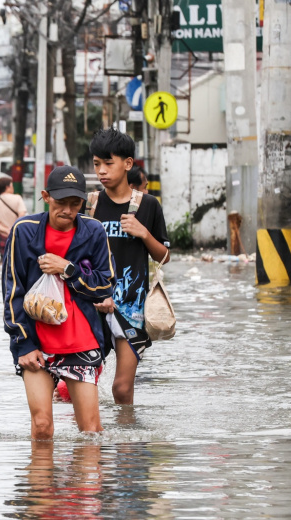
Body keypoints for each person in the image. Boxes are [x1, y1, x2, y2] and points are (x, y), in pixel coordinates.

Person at [3, 166, 115, 437]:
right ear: (45, 196)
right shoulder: (24, 231)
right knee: (42, 427)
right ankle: (42, 480)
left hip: (81, 341)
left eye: (74, 204)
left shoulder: (94, 231)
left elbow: (106, 284)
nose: (67, 210)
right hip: (37, 342)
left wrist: (69, 269)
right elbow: (12, 292)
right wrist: (23, 344)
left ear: (83, 203)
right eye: (60, 202)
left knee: (90, 431)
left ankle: (84, 480)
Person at [88, 128, 169, 405]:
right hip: (93, 304)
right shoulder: (90, 205)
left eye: (108, 163)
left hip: (131, 308)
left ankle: (127, 445)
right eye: (97, 163)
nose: (101, 170)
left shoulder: (148, 205)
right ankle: (88, 444)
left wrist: (144, 233)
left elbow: (164, 257)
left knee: (121, 389)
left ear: (128, 163)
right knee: (77, 385)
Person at [0, 176, 27, 258]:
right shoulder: (17, 198)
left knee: (4, 259)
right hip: (16, 234)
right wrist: (13, 228)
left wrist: (6, 230)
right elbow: (22, 215)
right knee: (17, 259)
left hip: (2, 235)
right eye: (12, 185)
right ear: (7, 187)